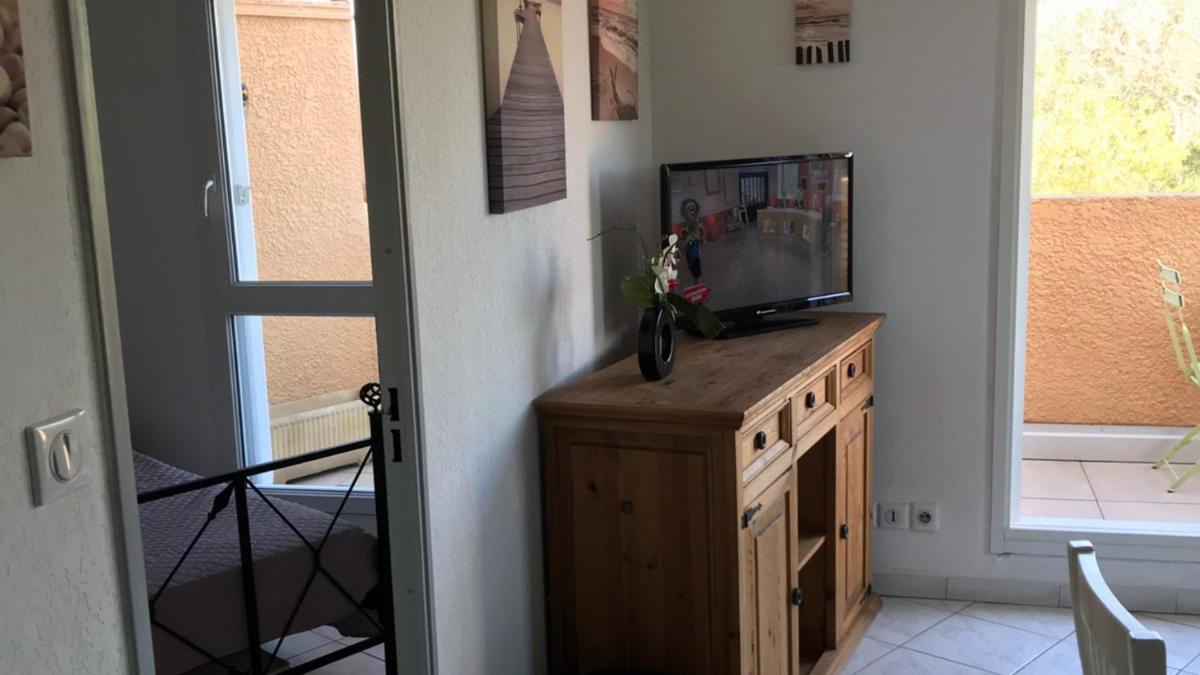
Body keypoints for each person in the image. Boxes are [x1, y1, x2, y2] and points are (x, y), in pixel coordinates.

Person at [681, 198, 705, 282]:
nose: (690, 213)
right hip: (691, 242)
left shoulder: (695, 221)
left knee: (694, 259)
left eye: (691, 211)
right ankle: (695, 276)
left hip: (693, 242)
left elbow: (698, 232)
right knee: (692, 258)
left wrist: (700, 238)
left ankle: (696, 278)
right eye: (689, 211)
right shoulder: (689, 222)